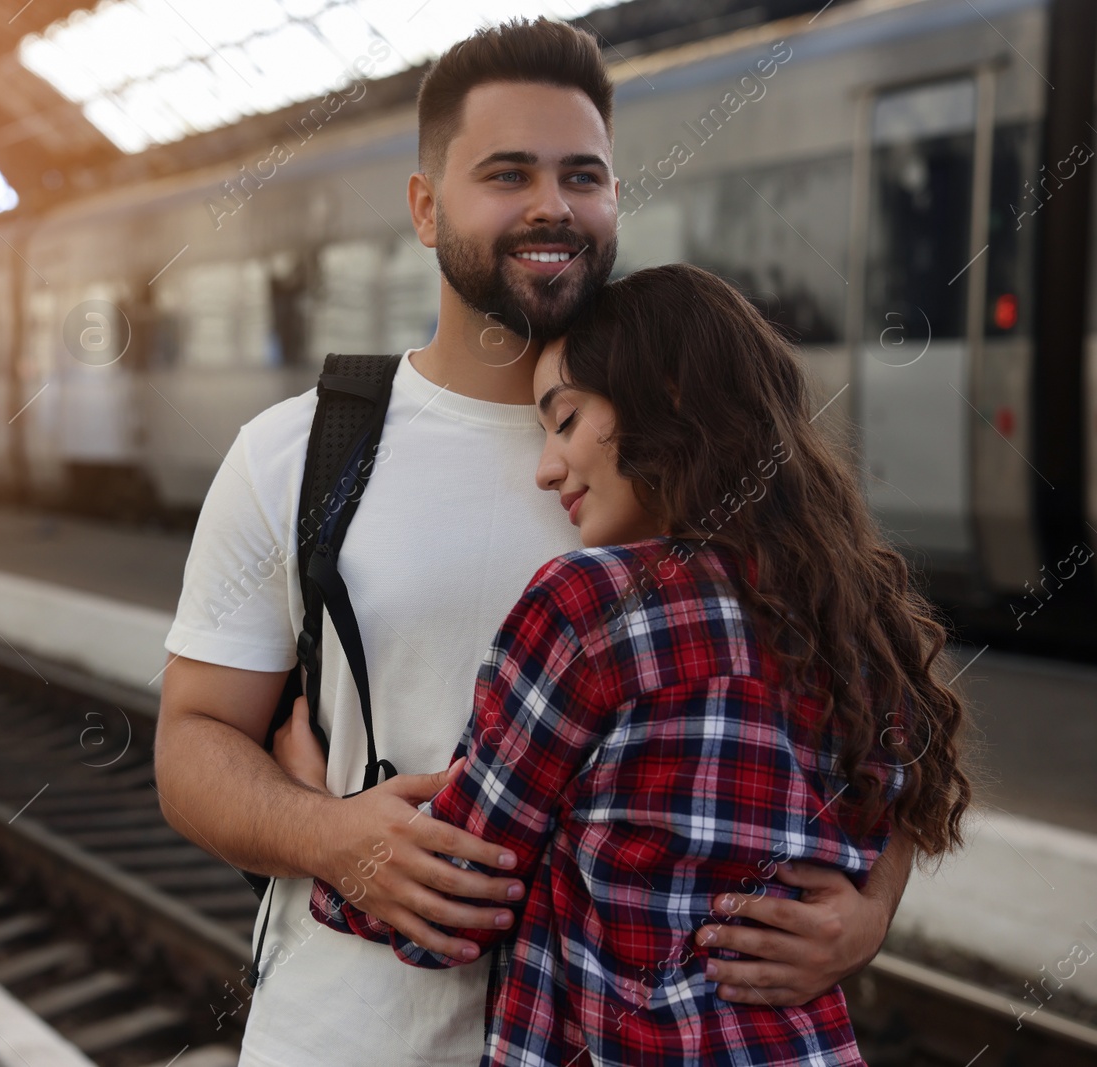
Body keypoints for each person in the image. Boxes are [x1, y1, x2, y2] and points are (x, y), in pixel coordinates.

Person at [155, 19, 914, 1067]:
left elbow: (865, 698)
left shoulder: (697, 453)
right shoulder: (295, 452)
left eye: (582, 175)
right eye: (506, 173)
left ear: (613, 199)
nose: (551, 205)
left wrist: (868, 909)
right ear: (424, 207)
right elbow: (191, 738)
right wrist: (329, 834)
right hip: (348, 1036)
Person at [289, 263, 972, 1065]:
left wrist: (314, 810)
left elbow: (457, 901)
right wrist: (868, 915)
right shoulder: (855, 616)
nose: (546, 466)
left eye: (566, 420)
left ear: (669, 396)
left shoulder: (594, 606)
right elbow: (910, 809)